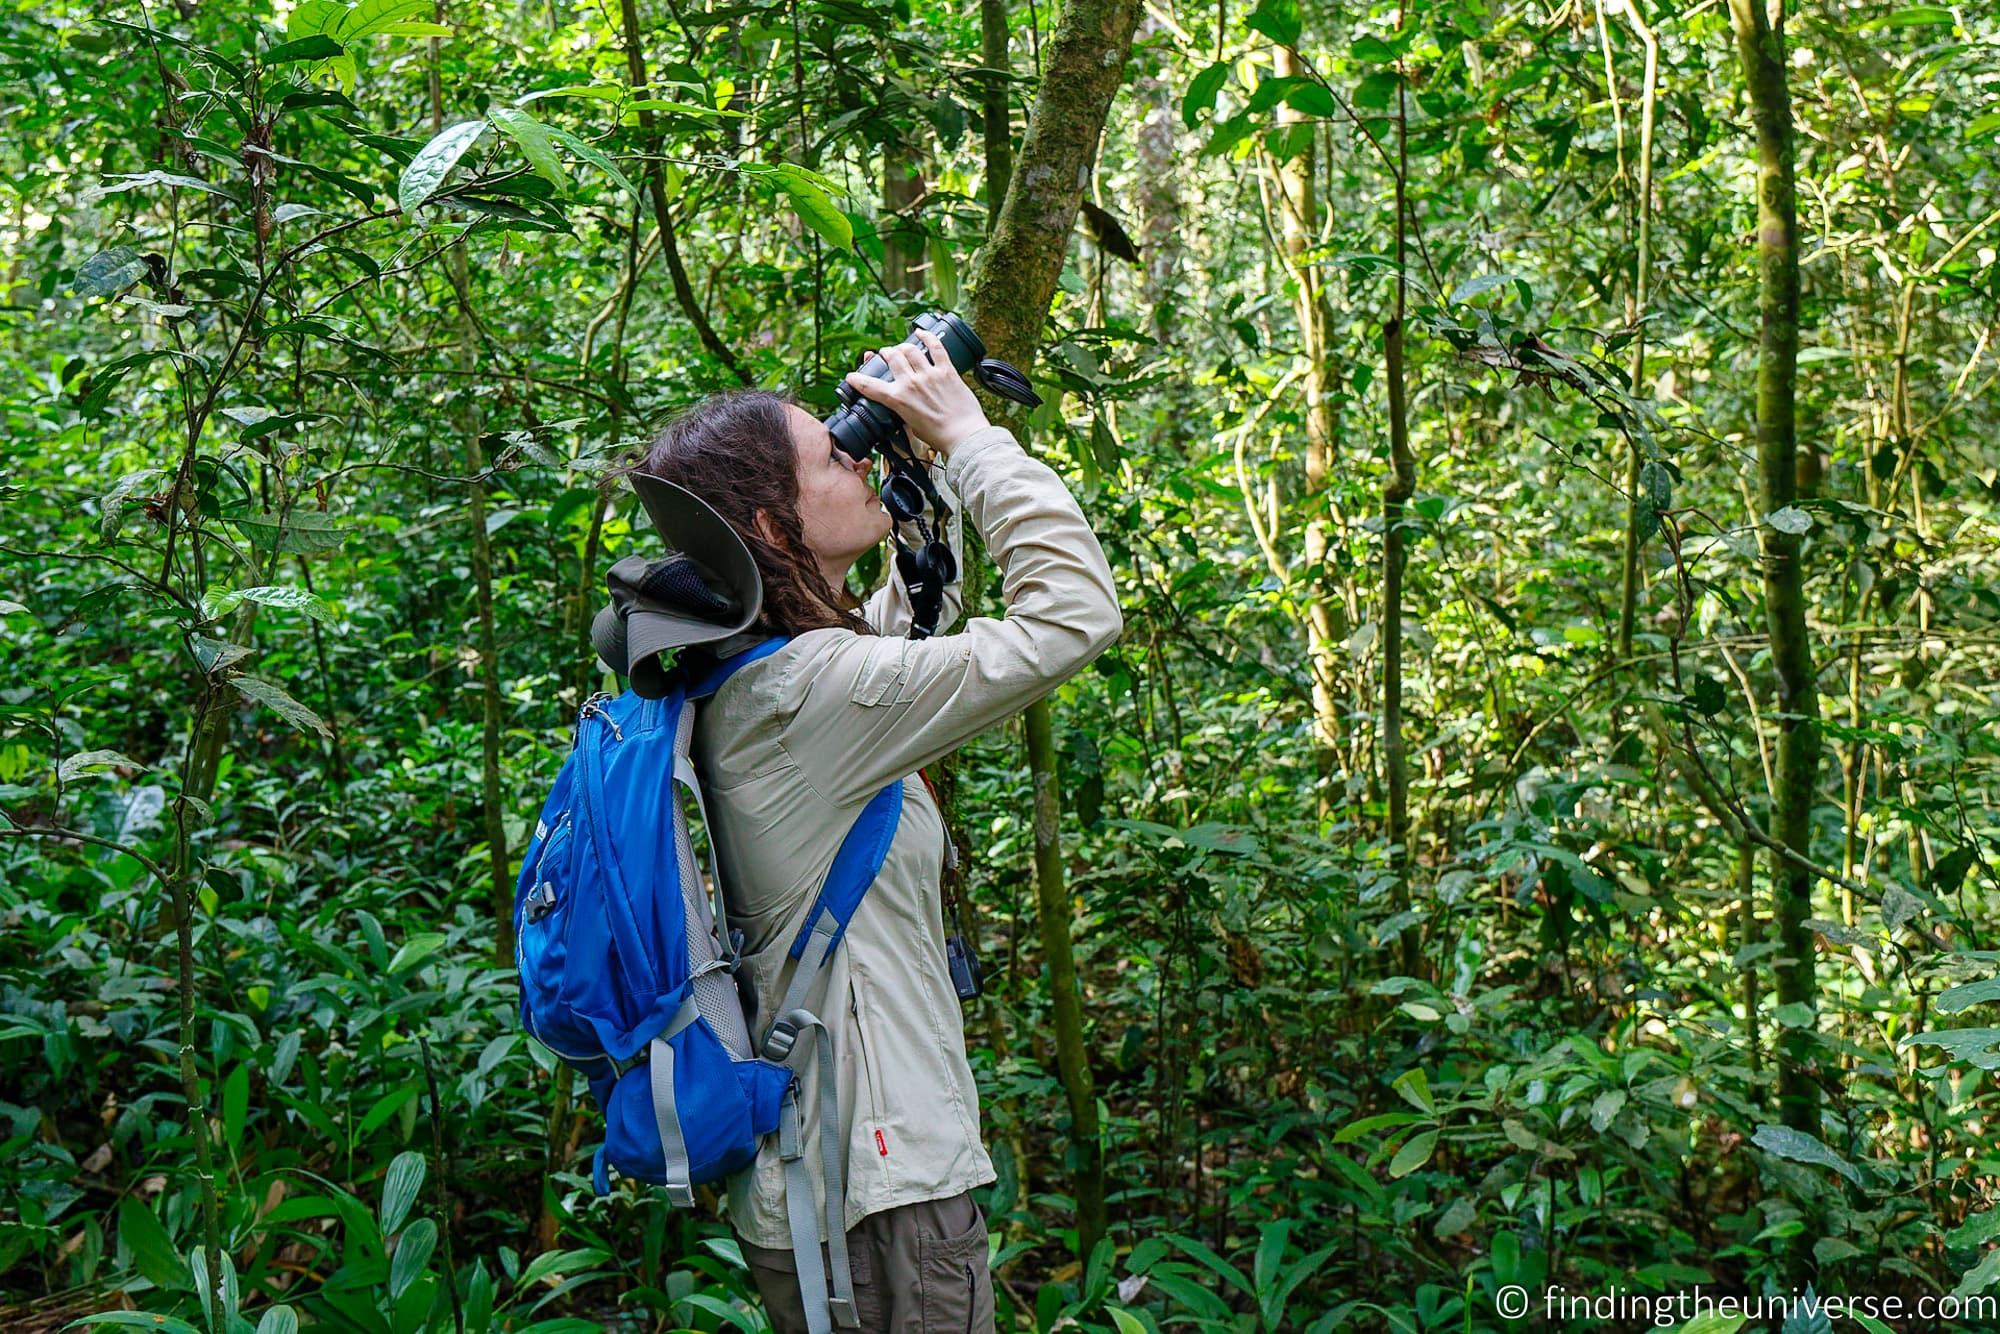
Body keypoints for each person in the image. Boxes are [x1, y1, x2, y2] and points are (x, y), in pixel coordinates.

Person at [624, 328, 1123, 1333]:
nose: (854, 458)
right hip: (878, 1196)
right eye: (832, 454)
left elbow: (907, 637)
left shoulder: (761, 677)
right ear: (773, 521)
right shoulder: (810, 691)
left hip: (830, 1177)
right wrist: (974, 439)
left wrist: (915, 461)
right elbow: (1072, 613)